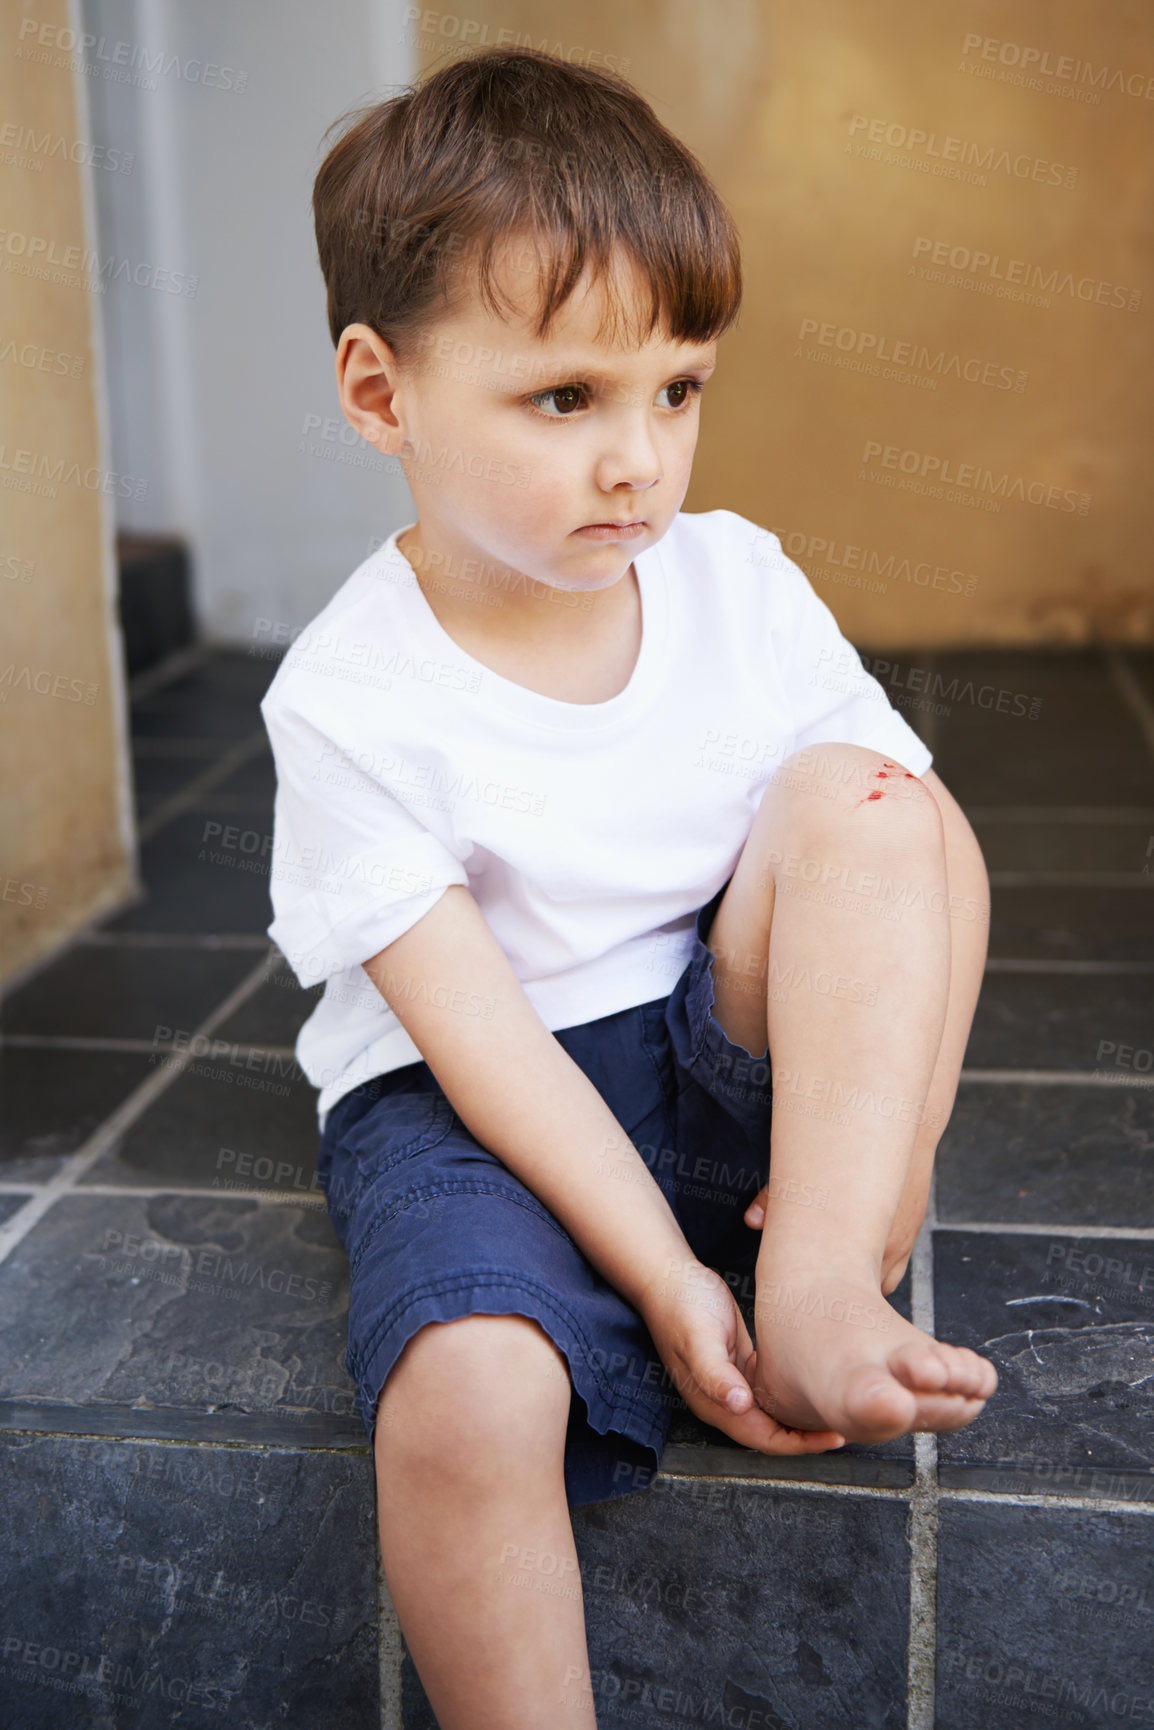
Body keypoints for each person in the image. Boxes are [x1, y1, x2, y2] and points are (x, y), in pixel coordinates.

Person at [261, 44, 998, 1729]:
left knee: (874, 795)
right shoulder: (347, 697)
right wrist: (668, 1285)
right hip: (478, 1104)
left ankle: (807, 1286)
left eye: (677, 388)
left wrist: (871, 1196)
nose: (639, 463)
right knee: (460, 1393)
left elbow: (924, 859)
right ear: (381, 395)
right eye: (564, 399)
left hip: (714, 1056)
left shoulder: (736, 583)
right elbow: (483, 1048)